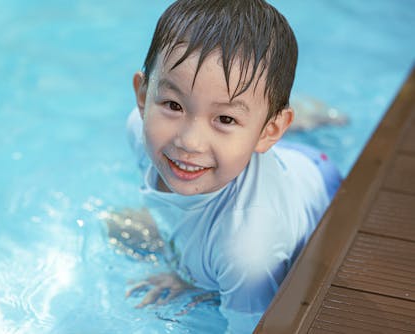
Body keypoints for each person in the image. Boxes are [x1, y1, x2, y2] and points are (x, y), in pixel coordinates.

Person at [122, 0, 342, 332]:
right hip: (248, 158)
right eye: (172, 104)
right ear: (143, 97)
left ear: (270, 132)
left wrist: (196, 283)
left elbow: (252, 327)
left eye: (224, 117)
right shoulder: (140, 131)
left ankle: (308, 116)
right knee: (119, 229)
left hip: (320, 183)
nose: (188, 141)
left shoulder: (249, 254)